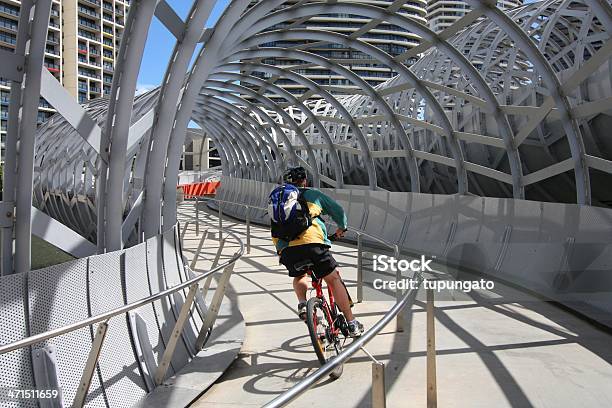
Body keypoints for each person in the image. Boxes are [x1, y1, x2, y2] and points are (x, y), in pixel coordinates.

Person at [271, 166, 364, 337]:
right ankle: (351, 323)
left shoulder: (278, 201)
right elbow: (338, 211)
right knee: (333, 278)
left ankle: (302, 303)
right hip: (312, 244)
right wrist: (341, 229)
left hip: (287, 249)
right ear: (304, 180)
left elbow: (275, 228)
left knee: (299, 276)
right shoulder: (313, 195)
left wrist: (280, 250)